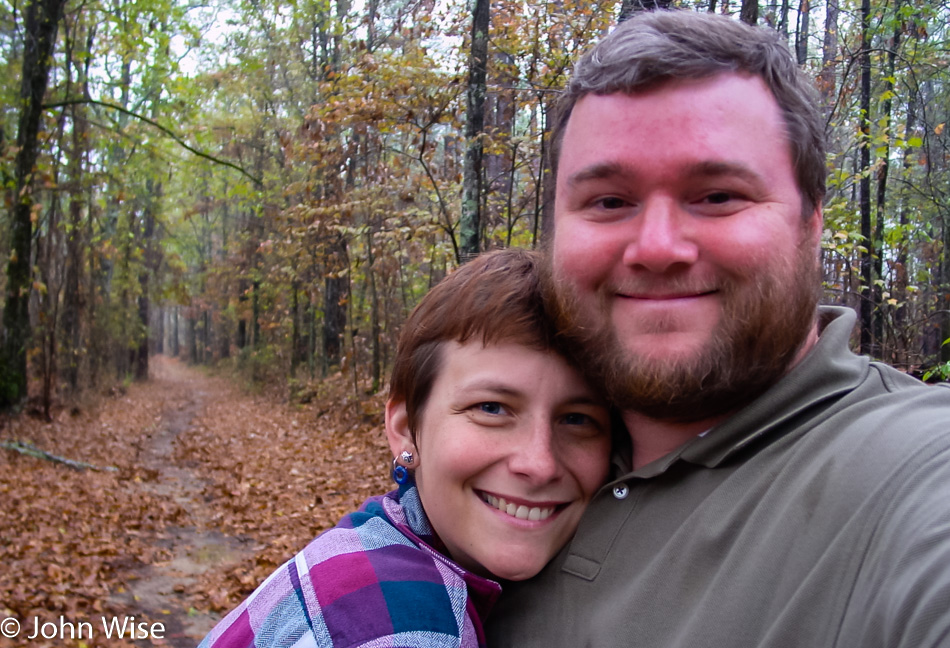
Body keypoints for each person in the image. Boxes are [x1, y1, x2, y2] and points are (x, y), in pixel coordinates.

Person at [485, 10, 950, 648]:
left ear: (811, 224)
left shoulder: (913, 470)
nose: (655, 247)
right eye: (610, 202)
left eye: (718, 195)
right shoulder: (512, 466)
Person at [198, 248, 613, 648]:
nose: (539, 464)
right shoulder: (406, 626)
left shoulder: (373, 538)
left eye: (577, 419)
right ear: (404, 429)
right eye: (491, 408)